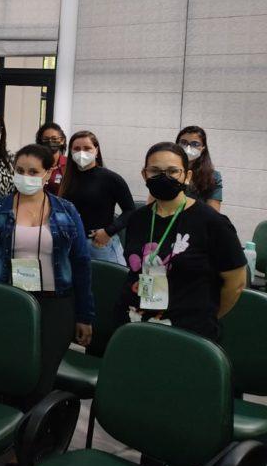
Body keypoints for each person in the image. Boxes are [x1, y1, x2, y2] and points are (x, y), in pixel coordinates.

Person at [0, 143, 94, 466]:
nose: (25, 177)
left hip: (56, 302)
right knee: (10, 372)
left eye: (33, 172)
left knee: (40, 380)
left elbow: (81, 263)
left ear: (48, 173)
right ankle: (7, 434)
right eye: (20, 171)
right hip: (9, 301)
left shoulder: (66, 210)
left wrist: (85, 314)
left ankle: (28, 451)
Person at [116, 142, 245, 340]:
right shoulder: (137, 219)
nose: (163, 177)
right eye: (155, 171)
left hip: (186, 334)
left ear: (187, 176)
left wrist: (207, 316)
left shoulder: (212, 222)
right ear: (144, 175)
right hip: (134, 324)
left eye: (172, 171)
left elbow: (236, 283)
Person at [58, 130, 135, 265]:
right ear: (70, 152)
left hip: (100, 245)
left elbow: (130, 210)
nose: (81, 152)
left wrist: (108, 232)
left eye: (87, 148)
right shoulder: (68, 180)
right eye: (77, 149)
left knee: (110, 278)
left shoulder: (111, 178)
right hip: (72, 246)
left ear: (96, 151)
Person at [176, 126, 222, 211]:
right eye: (183, 142)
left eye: (195, 144)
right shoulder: (166, 171)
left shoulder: (213, 176)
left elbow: (213, 213)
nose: (188, 148)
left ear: (203, 148)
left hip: (197, 218)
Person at [36, 122, 68, 194]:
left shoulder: (68, 164)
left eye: (54, 138)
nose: (50, 142)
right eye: (46, 139)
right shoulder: (34, 162)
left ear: (62, 141)